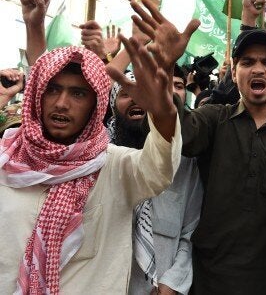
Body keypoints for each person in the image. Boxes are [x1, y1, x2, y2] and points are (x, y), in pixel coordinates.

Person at [119, 0, 266, 292]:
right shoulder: (216, 118)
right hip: (208, 280)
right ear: (235, 72)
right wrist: (163, 66)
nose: (258, 69)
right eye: (247, 62)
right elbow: (175, 131)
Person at [0, 43, 181, 294]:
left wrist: (163, 113)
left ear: (96, 105)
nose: (62, 103)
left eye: (78, 94)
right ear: (37, 96)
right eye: (53, 89)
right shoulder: (6, 159)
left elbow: (159, 169)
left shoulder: (114, 166)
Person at [109, 70, 203, 294]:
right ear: (112, 105)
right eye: (125, 93)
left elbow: (192, 231)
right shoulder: (98, 159)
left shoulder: (184, 161)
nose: (135, 98)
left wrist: (171, 283)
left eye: (143, 92)